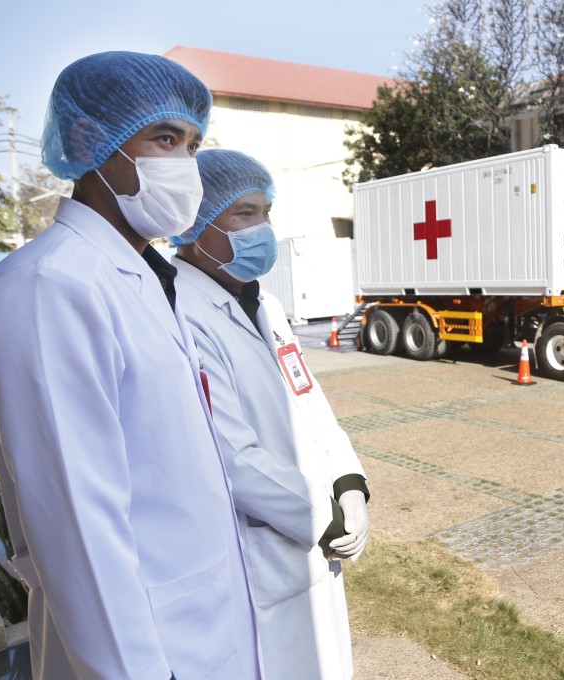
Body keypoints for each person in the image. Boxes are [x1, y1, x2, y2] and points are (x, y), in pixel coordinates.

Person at [0, 53, 261, 679]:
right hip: (142, 654)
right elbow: (79, 543)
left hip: (204, 630)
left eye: (193, 145)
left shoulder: (141, 277)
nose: (186, 165)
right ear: (86, 139)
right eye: (164, 138)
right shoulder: (48, 288)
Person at [170, 149, 370, 679]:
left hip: (311, 534)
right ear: (195, 222)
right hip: (256, 551)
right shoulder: (180, 314)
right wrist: (321, 514)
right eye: (245, 214)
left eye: (266, 213)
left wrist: (349, 484)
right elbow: (230, 454)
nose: (263, 229)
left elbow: (309, 403)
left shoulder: (266, 304)